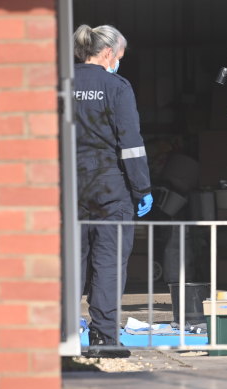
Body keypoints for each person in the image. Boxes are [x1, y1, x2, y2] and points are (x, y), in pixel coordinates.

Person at [73, 24, 153, 357]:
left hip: (69, 187)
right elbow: (130, 143)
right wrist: (142, 187)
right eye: (119, 55)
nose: (119, 61)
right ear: (108, 53)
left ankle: (62, 333)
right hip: (109, 188)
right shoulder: (117, 86)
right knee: (109, 263)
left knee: (70, 262)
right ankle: (104, 338)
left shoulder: (61, 82)